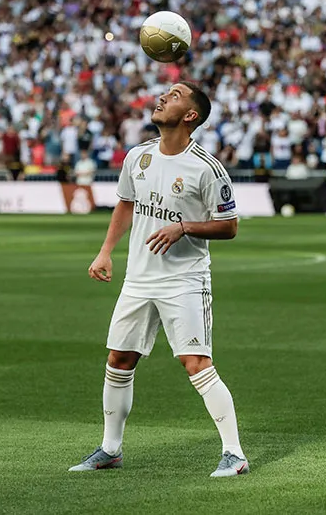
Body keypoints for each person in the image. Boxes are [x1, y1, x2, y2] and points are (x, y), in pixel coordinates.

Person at [69, 82, 248, 477]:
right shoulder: (138, 156)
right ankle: (110, 449)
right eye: (166, 91)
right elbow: (125, 204)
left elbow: (229, 226)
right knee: (119, 359)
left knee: (196, 362)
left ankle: (234, 454)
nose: (164, 97)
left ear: (191, 116)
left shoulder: (207, 168)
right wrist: (105, 251)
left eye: (176, 95)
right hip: (138, 279)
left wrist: (184, 227)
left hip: (184, 280)